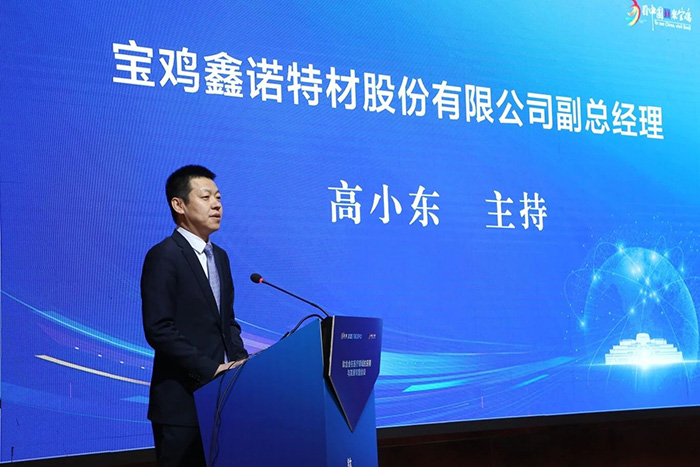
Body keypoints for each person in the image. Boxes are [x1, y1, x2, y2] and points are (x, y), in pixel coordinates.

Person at [141, 165, 248, 466]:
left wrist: (241, 365)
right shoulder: (164, 255)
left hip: (223, 399)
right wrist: (211, 369)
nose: (216, 205)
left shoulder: (221, 257)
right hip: (181, 405)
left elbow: (227, 322)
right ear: (179, 205)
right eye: (206, 197)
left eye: (219, 198)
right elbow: (158, 329)